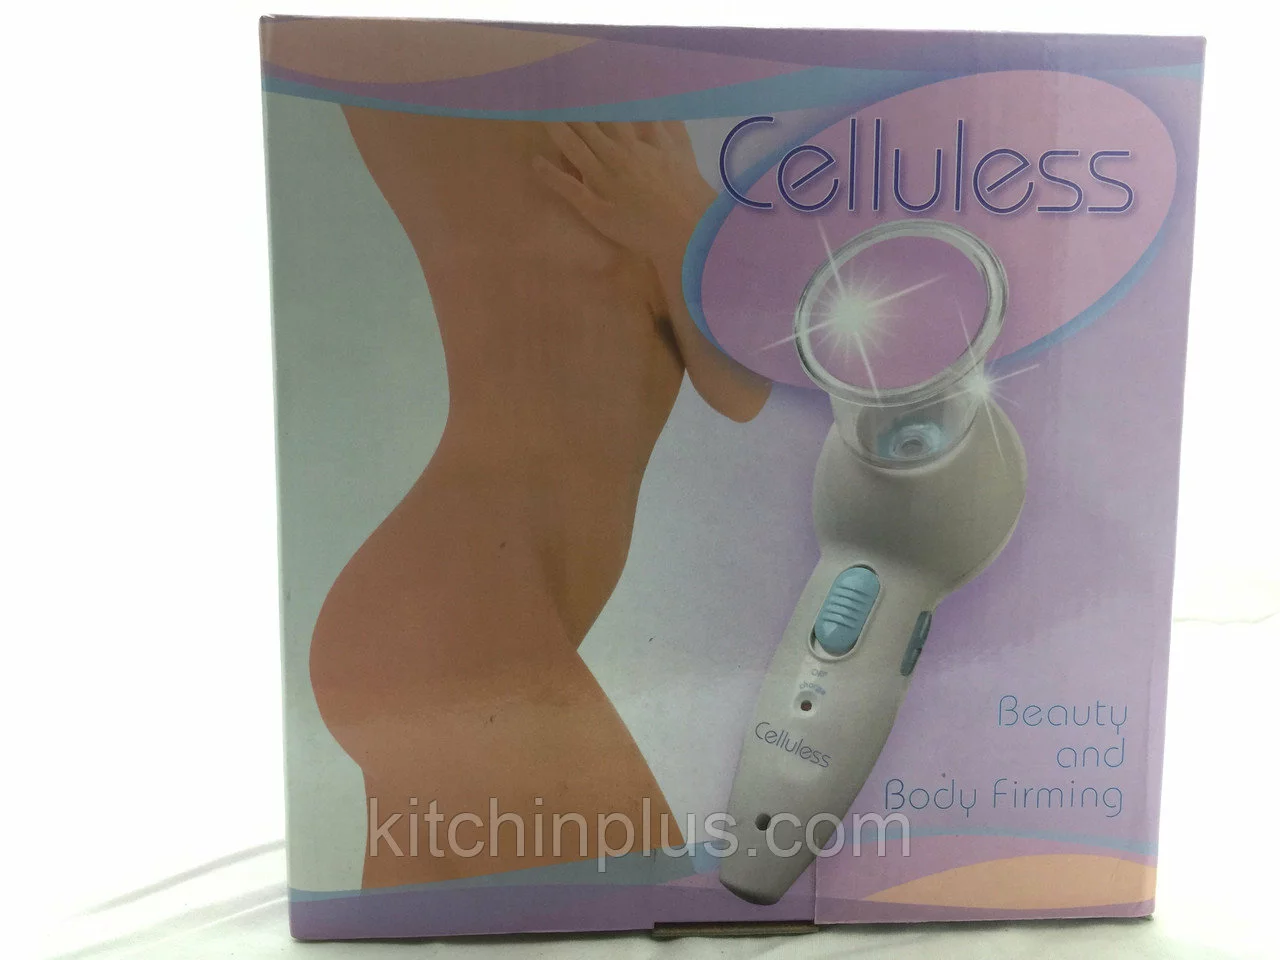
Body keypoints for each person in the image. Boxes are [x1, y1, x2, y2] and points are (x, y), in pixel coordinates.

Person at [295, 41, 770, 889]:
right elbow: (744, 382)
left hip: (433, 625)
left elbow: (738, 388)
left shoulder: (587, 102)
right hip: (455, 635)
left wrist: (684, 222)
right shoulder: (576, 98)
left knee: (431, 935)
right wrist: (691, 224)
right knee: (645, 903)